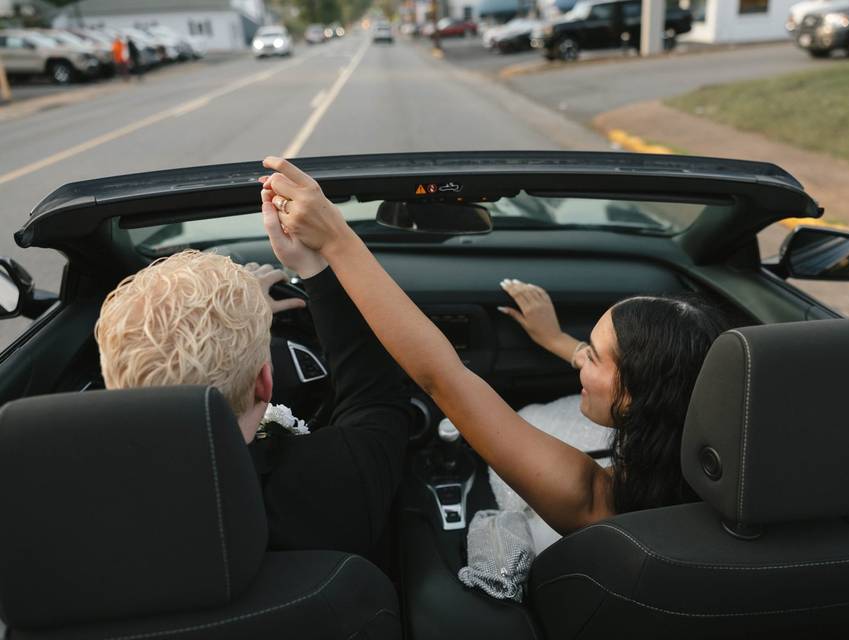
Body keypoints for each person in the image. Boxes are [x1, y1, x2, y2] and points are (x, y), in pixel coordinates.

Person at [259, 156, 730, 534]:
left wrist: (337, 239)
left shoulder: (591, 500)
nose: (577, 360)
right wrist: (555, 340)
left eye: (592, 354)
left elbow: (441, 376)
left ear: (636, 397)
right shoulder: (744, 470)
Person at [94, 248, 414, 559]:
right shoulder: (335, 480)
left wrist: (243, 320)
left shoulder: (89, 505)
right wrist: (309, 266)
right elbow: (375, 397)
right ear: (265, 382)